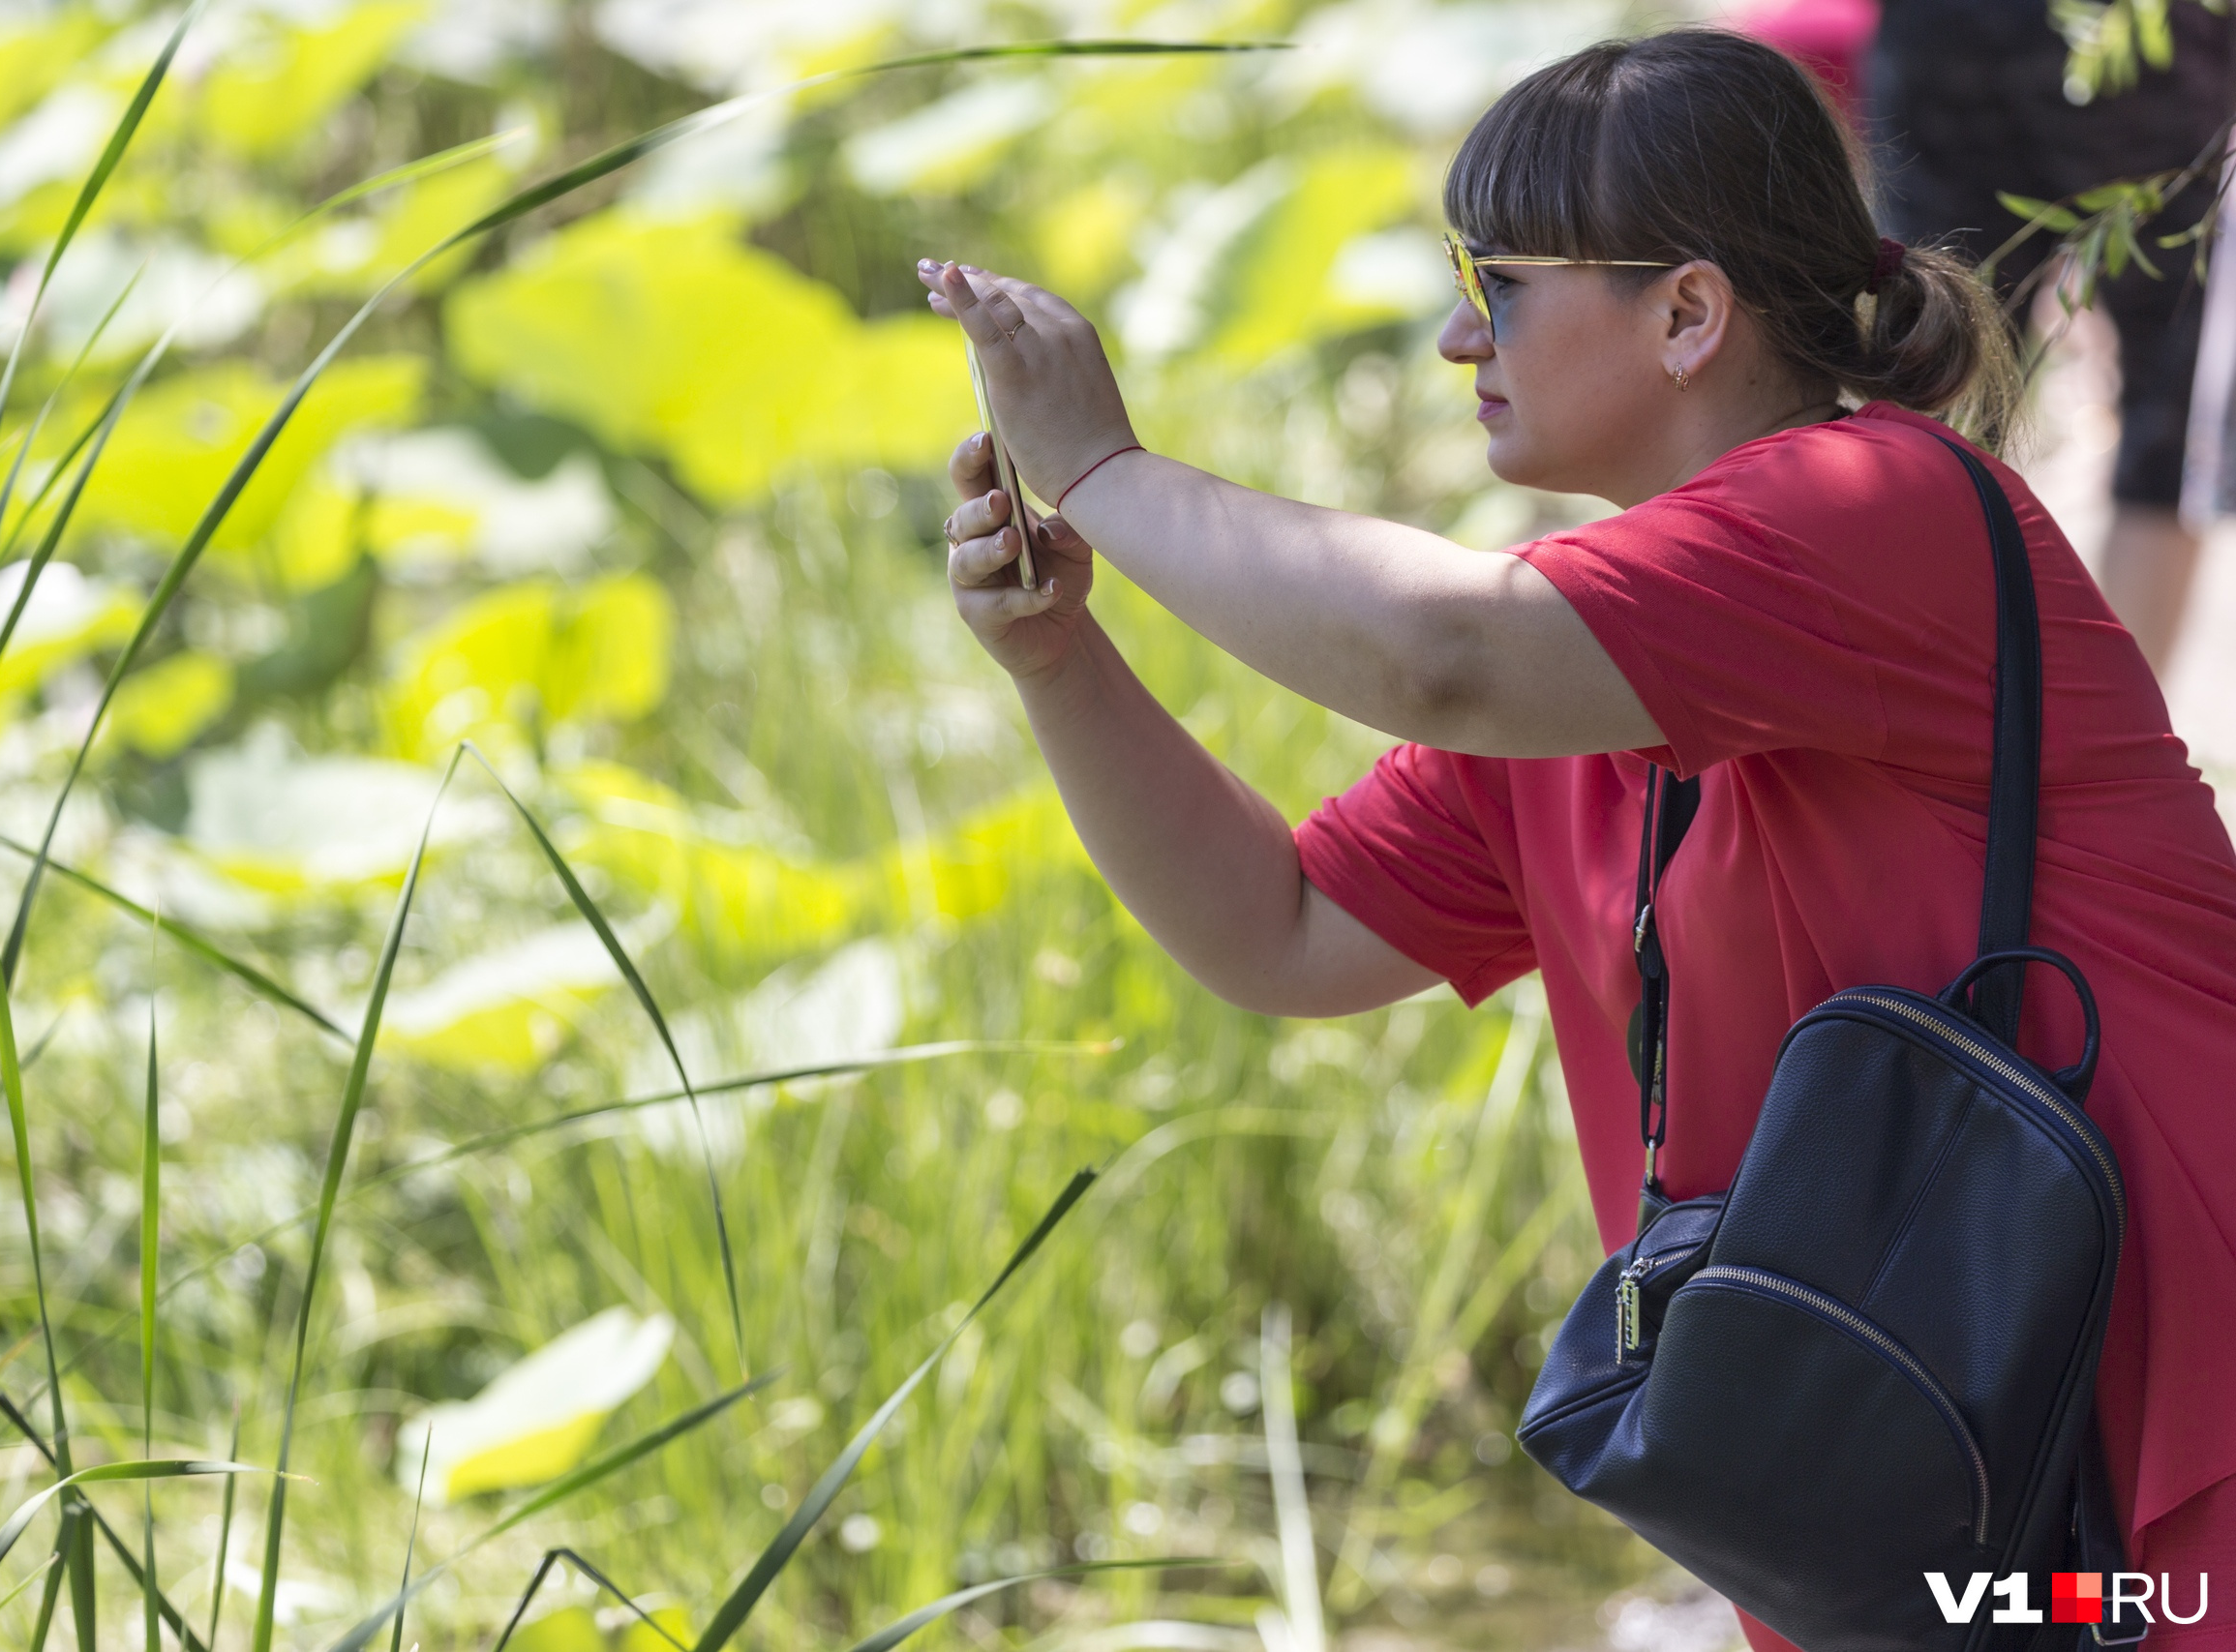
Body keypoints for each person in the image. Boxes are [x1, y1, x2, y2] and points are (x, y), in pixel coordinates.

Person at [919, 29, 2236, 1652]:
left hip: (2170, 1413)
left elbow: (1445, 652)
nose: (1462, 335)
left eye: (1504, 281)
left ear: (1689, 313)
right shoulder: (1587, 684)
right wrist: (1062, 663)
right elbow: (1278, 931)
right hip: (1927, 1475)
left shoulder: (1870, 505)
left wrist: (1104, 469)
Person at [1869, 0, 2236, 672]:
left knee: (1930, 377)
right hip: (2125, 40)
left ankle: (1967, 741)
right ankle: (2109, 751)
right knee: (2164, 392)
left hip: (1945, 28)